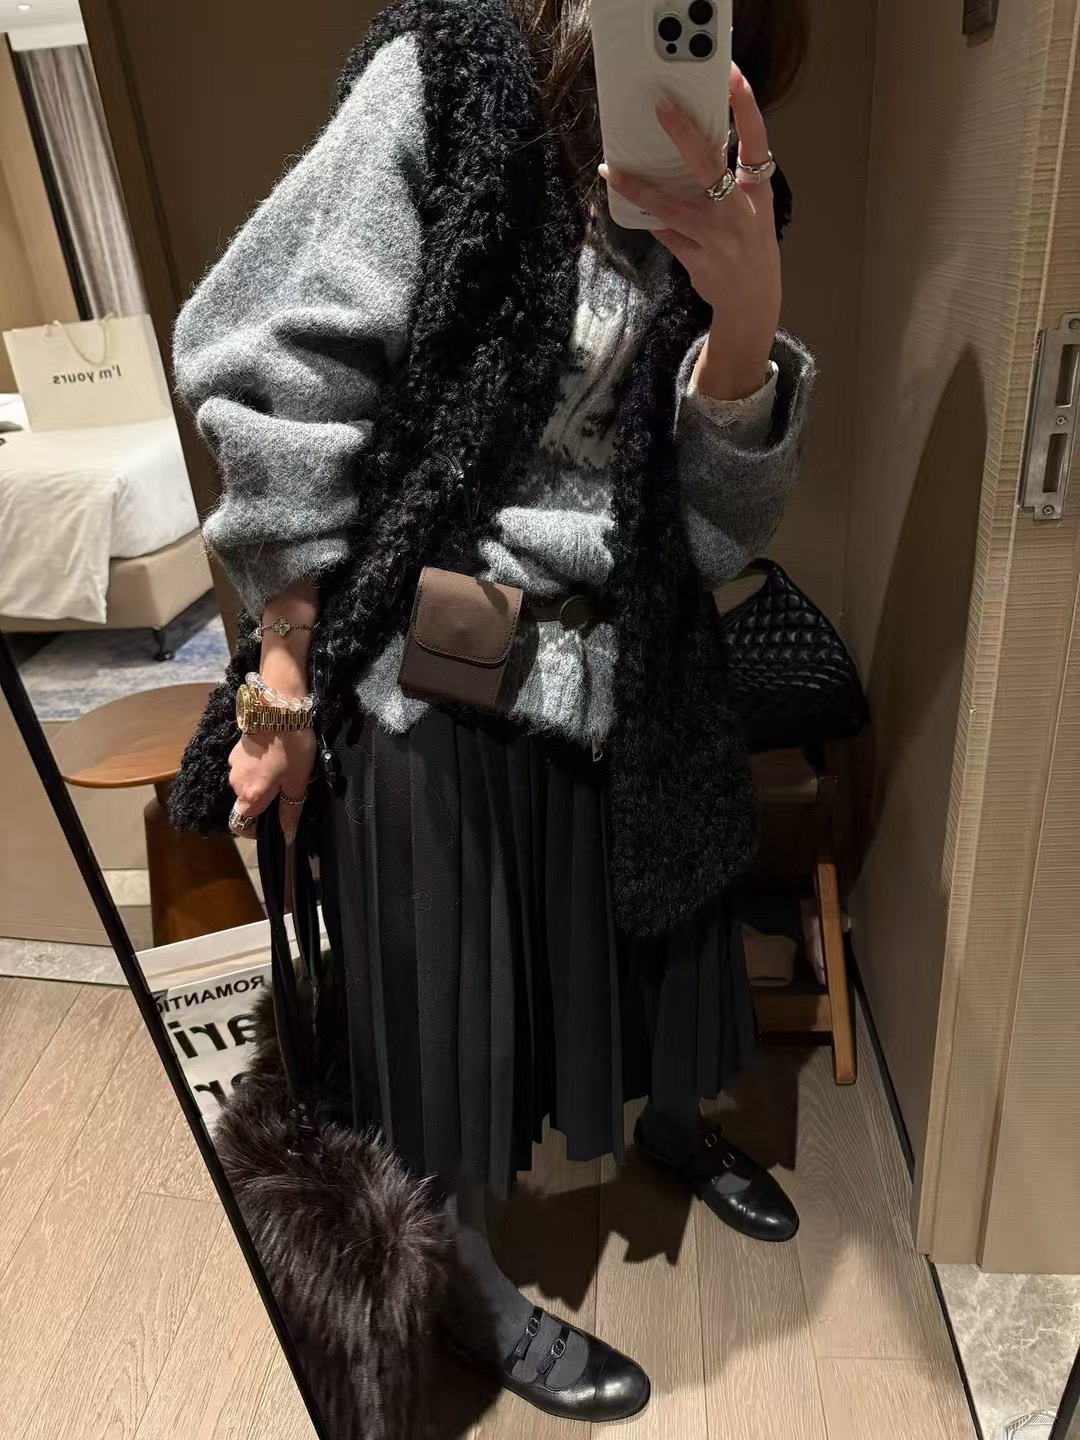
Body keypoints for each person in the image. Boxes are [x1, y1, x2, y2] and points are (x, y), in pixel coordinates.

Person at [173, 0, 814, 1423]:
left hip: (634, 646)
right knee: (447, 1015)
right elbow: (278, 352)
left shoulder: (733, 167)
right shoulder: (453, 79)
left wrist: (749, 321)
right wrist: (282, 674)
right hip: (437, 652)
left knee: (666, 922)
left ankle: (670, 1125)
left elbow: (712, 532)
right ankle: (464, 1282)